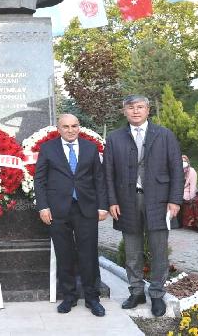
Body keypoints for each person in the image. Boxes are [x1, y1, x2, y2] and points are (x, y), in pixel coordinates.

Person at [103, 95, 184, 317]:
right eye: (131, 107)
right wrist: (112, 201)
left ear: (148, 110)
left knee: (159, 251)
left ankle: (156, 294)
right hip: (127, 202)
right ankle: (136, 292)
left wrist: (175, 200)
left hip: (159, 201)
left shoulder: (165, 135)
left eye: (140, 107)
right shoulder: (114, 138)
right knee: (132, 252)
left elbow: (177, 170)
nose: (136, 111)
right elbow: (108, 173)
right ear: (124, 111)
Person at [34, 114, 108, 317]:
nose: (70, 130)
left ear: (79, 127)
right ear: (58, 129)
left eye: (74, 126)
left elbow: (99, 179)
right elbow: (39, 180)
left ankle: (92, 298)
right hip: (58, 211)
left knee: (89, 255)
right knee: (64, 254)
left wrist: (103, 206)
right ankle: (69, 297)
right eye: (65, 126)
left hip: (86, 209)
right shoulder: (48, 148)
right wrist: (43, 207)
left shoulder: (90, 148)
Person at [180, 155, 198, 228]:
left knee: (179, 198)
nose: (183, 163)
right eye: (181, 161)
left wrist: (192, 198)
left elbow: (193, 187)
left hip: (188, 191)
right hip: (179, 191)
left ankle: (180, 222)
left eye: (185, 161)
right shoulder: (176, 170)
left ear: (188, 162)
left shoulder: (192, 171)